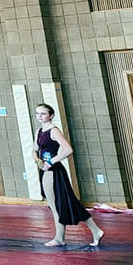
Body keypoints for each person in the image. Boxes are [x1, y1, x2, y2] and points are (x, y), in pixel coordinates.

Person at [32, 103, 103, 247]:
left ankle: (60, 238)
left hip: (54, 171)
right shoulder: (39, 131)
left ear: (51, 115)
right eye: (37, 113)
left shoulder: (54, 131)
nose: (39, 116)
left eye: (43, 113)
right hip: (44, 170)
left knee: (56, 205)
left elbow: (68, 150)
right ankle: (95, 230)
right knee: (66, 202)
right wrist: (38, 161)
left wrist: (51, 162)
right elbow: (35, 149)